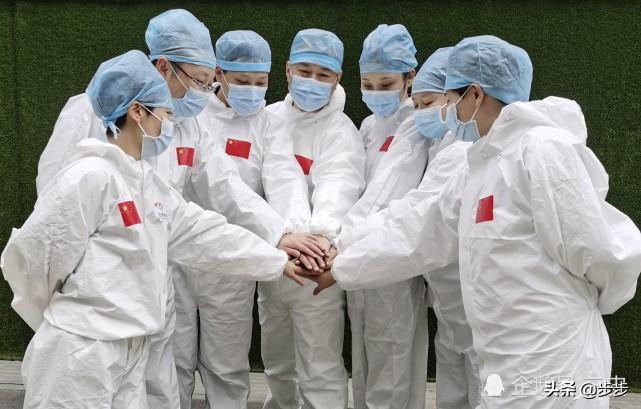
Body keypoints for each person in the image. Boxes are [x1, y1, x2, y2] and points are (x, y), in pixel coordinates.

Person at [301, 35, 641, 409]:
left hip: (556, 355)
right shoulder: (481, 162)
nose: (449, 113)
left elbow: (600, 252)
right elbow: (419, 228)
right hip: (505, 357)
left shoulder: (542, 148)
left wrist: (579, 309)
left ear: (475, 94)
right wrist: (341, 261)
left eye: (450, 101)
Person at [34, 10, 320, 409]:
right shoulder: (90, 134)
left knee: (162, 387)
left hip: (152, 293)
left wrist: (277, 241)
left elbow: (214, 201)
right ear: (163, 69)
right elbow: (48, 235)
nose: (203, 93)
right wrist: (69, 300)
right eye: (199, 82)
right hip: (89, 320)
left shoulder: (167, 154)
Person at [171, 29, 318, 409]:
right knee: (172, 358)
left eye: (260, 82)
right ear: (219, 74)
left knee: (227, 362)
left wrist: (290, 231)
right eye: (242, 81)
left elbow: (283, 179)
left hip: (235, 254)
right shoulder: (191, 111)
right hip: (179, 252)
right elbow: (215, 183)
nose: (252, 90)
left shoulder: (268, 122)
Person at [259, 28, 366, 409]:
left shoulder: (341, 130)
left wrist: (317, 243)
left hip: (317, 264)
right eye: (305, 71)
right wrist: (280, 239)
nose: (312, 81)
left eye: (323, 75)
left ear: (338, 78)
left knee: (319, 365)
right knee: (277, 360)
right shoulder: (267, 118)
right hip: (273, 259)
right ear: (287, 70)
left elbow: (339, 187)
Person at [339, 23, 428, 409]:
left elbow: (393, 194)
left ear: (410, 76)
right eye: (368, 84)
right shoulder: (368, 126)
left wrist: (349, 238)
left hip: (392, 255)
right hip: (357, 251)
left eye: (386, 84)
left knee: (393, 351)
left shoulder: (419, 123)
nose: (376, 93)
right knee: (362, 350)